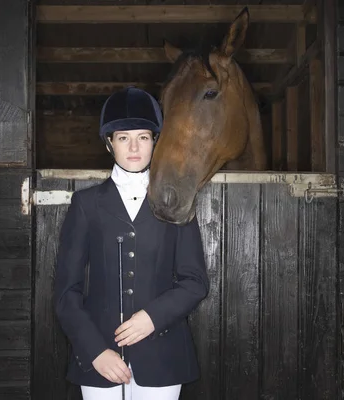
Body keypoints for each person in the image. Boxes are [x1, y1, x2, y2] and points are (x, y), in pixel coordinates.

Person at [54, 86, 210, 400]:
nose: (134, 147)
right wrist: (95, 351)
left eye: (143, 136)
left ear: (155, 141)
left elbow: (195, 282)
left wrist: (153, 317)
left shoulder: (177, 202)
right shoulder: (85, 204)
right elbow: (65, 292)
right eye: (124, 137)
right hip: (100, 359)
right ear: (110, 144)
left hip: (163, 356)